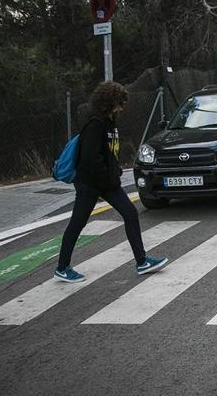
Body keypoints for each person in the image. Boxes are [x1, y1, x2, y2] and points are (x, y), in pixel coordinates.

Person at [54, 82, 169, 282]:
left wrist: (112, 175)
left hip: (106, 182)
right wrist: (108, 179)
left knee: (130, 213)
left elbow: (108, 155)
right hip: (90, 183)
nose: (123, 106)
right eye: (120, 102)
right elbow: (91, 158)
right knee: (78, 223)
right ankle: (62, 268)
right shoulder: (95, 124)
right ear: (110, 101)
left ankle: (142, 262)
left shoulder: (109, 122)